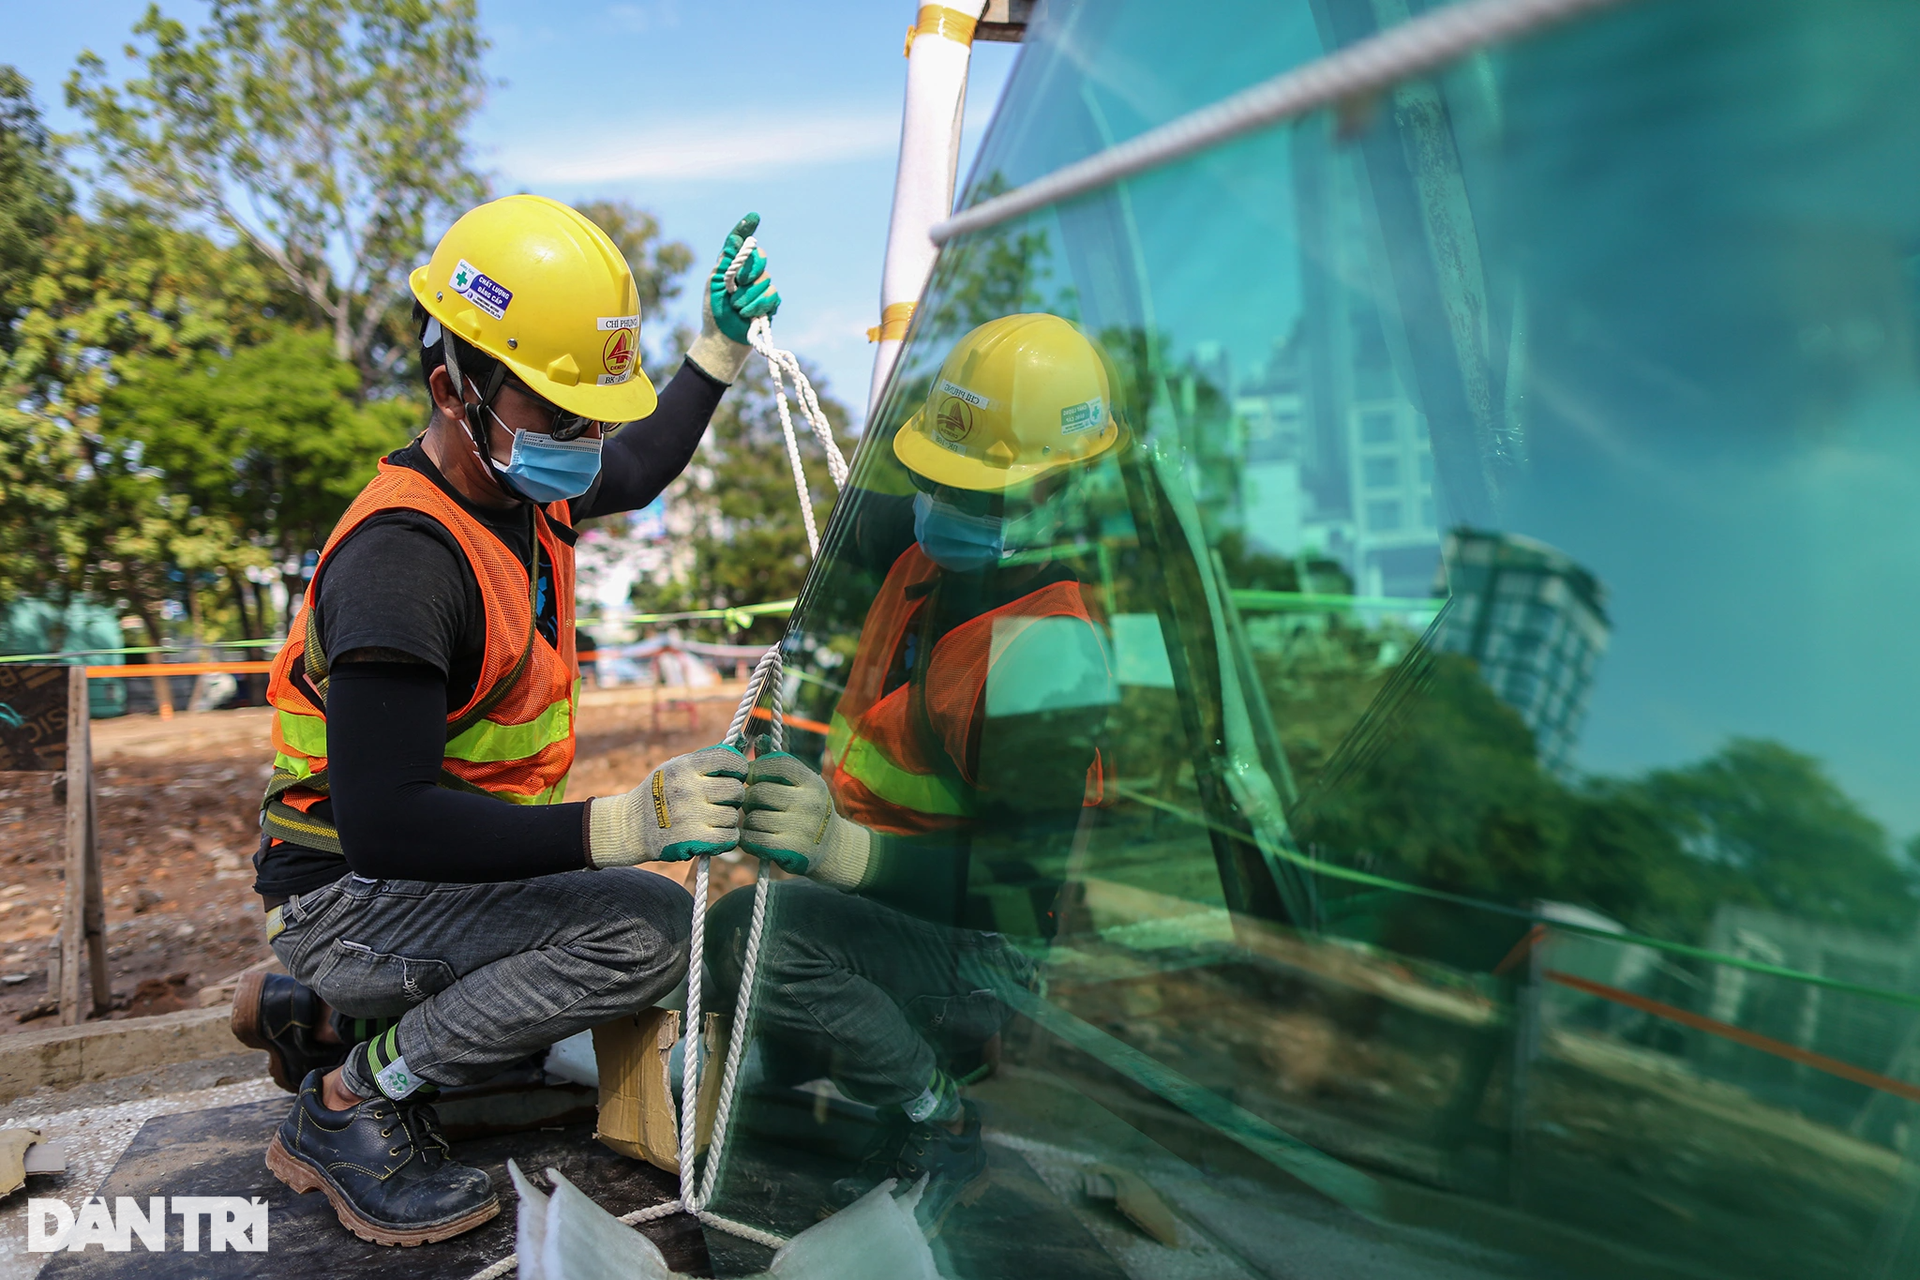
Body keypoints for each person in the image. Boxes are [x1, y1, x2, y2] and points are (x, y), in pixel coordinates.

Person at [229, 194, 771, 1246]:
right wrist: (621, 823)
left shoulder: (524, 481)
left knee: (581, 946)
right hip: (353, 890)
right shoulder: (404, 559)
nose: (590, 440)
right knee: (641, 931)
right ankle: (349, 1097)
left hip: (429, 880)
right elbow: (388, 822)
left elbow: (644, 462)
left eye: (595, 410)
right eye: (566, 414)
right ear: (452, 389)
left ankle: (325, 1011)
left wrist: (714, 352)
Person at [705, 313, 1126, 1230]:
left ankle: (940, 1117)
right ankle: (805, 1061)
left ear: (1064, 493)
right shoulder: (934, 544)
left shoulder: (1046, 659)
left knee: (758, 941)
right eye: (936, 478)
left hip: (982, 953)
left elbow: (1022, 897)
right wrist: (724, 353)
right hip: (891, 913)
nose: (941, 504)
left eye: (978, 491)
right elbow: (852, 512)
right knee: (711, 946)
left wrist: (845, 853)